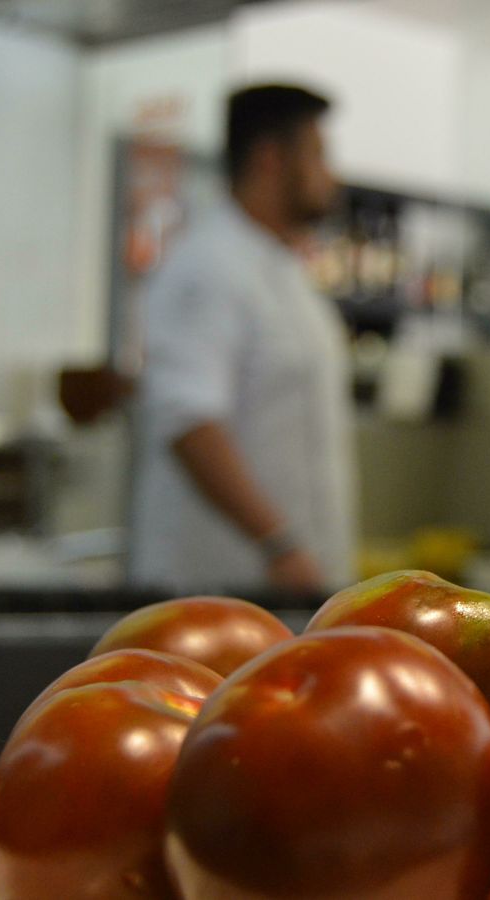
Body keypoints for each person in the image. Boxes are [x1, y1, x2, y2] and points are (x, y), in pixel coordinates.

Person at [131, 84, 355, 595]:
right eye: (318, 155)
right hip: (219, 591)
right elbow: (189, 420)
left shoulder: (285, 272)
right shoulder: (209, 265)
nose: (331, 175)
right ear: (271, 159)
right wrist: (278, 543)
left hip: (290, 591)